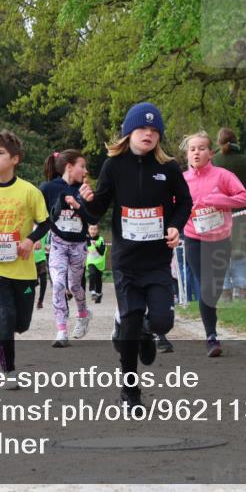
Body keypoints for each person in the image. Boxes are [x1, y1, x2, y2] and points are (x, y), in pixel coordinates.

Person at [78, 103, 192, 409]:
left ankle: (147, 330)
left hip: (156, 261)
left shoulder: (167, 168)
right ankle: (130, 391)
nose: (149, 135)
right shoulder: (113, 166)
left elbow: (184, 202)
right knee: (129, 322)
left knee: (162, 322)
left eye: (155, 131)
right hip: (127, 262)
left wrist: (174, 226)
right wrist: (86, 200)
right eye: (143, 129)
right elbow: (98, 208)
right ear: (129, 132)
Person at [0, 130, 51, 387]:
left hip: (24, 269)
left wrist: (29, 240)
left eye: (0, 153)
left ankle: (12, 330)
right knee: (4, 318)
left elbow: (45, 222)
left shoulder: (29, 191)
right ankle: (9, 372)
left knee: (21, 324)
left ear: (15, 159)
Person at [181, 130, 246, 357]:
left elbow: (244, 197)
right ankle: (211, 337)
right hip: (194, 238)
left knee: (215, 287)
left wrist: (221, 200)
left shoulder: (222, 175)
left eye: (201, 148)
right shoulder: (182, 180)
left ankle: (211, 328)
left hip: (220, 239)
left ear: (211, 153)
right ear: (187, 155)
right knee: (205, 285)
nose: (197, 152)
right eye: (192, 149)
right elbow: (172, 205)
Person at [39, 151, 96, 348]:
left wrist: (79, 205)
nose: (86, 170)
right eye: (83, 166)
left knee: (74, 286)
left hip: (78, 245)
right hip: (57, 244)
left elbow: (93, 220)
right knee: (58, 285)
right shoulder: (48, 188)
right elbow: (40, 216)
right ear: (69, 167)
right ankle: (61, 330)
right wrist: (34, 238)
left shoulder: (84, 189)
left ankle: (83, 314)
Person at [212, 127, 246, 301]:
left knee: (221, 253)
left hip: (219, 216)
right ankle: (242, 291)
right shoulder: (245, 161)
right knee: (241, 253)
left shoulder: (214, 161)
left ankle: (225, 292)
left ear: (219, 142)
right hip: (241, 213)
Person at [85, 224, 106, 304]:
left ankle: (99, 294)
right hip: (90, 261)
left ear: (97, 231)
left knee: (98, 279)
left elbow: (101, 252)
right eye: (91, 229)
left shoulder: (101, 239)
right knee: (92, 273)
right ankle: (92, 291)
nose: (93, 231)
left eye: (95, 229)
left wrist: (96, 245)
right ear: (88, 230)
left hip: (100, 262)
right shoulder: (86, 239)